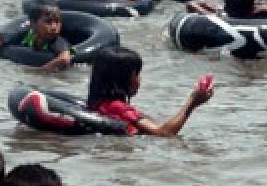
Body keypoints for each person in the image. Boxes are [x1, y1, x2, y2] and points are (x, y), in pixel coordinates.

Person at [84, 46, 214, 136]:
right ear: (122, 80)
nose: (140, 79)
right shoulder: (118, 108)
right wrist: (192, 103)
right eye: (137, 74)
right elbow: (164, 134)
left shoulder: (98, 103)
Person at [0, 3, 72, 71]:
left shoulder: (57, 41)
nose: (54, 27)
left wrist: (39, 70)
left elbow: (64, 59)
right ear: (33, 23)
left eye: (57, 22)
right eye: (48, 22)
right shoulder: (20, 32)